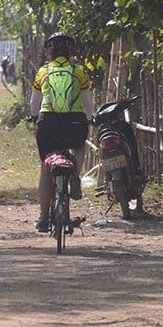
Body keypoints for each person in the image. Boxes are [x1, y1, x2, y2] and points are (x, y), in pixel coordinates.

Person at [29, 32, 94, 233]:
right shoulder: (79, 72)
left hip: (47, 122)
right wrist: (90, 119)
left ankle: (42, 218)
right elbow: (87, 101)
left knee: (45, 167)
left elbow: (34, 103)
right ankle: (75, 175)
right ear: (69, 51)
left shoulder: (43, 72)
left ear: (50, 51)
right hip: (74, 122)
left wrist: (32, 118)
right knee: (80, 146)